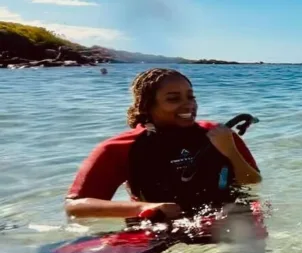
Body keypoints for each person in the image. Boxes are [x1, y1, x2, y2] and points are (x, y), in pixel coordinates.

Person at [65, 68, 262, 222]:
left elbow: (252, 180)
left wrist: (230, 151)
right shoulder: (122, 147)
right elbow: (75, 207)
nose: (188, 105)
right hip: (160, 224)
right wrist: (142, 208)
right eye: (173, 99)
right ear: (147, 105)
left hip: (227, 220)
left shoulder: (219, 134)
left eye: (190, 96)